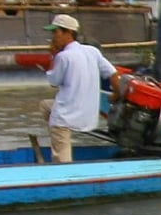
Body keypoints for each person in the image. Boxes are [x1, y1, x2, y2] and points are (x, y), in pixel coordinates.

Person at [42, 14, 119, 163]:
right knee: (45, 106)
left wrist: (53, 56)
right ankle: (61, 138)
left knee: (57, 124)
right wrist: (116, 94)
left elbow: (53, 82)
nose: (53, 37)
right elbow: (113, 74)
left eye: (56, 32)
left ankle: (64, 165)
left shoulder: (63, 57)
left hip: (65, 115)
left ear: (68, 33)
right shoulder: (92, 51)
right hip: (88, 114)